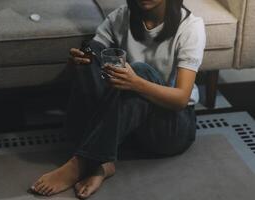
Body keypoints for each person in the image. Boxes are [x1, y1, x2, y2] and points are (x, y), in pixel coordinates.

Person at [30, 0, 206, 198]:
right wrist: (79, 61)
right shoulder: (122, 16)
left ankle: (82, 162)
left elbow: (181, 99)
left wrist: (136, 83)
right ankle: (102, 161)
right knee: (91, 51)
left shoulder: (191, 27)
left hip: (172, 128)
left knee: (140, 71)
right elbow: (94, 58)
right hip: (131, 122)